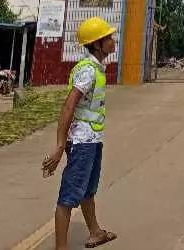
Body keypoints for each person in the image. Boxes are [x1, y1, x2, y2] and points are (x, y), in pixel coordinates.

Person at [42, 17, 118, 249]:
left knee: (88, 190)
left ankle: (95, 232)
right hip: (82, 143)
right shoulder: (87, 71)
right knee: (68, 197)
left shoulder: (95, 68)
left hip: (92, 140)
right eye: (109, 38)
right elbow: (68, 107)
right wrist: (59, 146)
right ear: (97, 44)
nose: (113, 41)